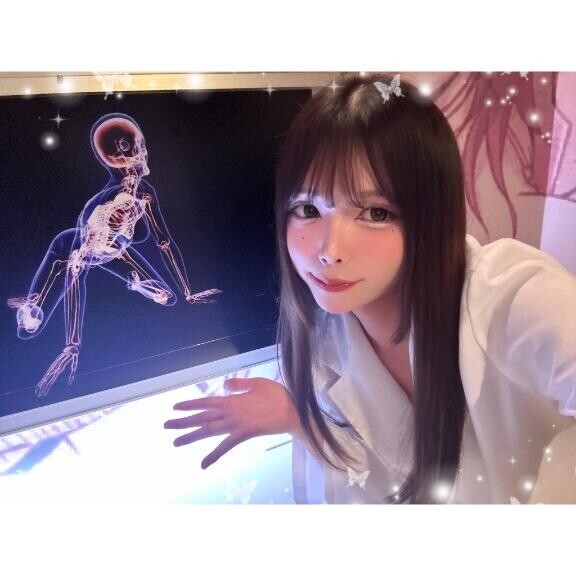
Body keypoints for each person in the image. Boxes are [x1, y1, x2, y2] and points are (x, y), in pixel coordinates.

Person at [164, 74, 576, 504]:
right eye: (308, 209)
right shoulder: (320, 346)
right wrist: (297, 420)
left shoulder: (511, 297)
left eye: (376, 213)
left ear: (429, 216)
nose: (330, 251)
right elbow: (386, 489)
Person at [8, 113, 221, 397]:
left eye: (142, 143)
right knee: (29, 328)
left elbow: (164, 241)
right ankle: (29, 303)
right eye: (134, 146)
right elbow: (77, 266)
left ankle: (131, 284)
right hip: (71, 247)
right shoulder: (105, 200)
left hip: (117, 252)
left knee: (166, 297)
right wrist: (72, 344)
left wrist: (187, 292)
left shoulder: (145, 194)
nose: (143, 152)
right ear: (117, 154)